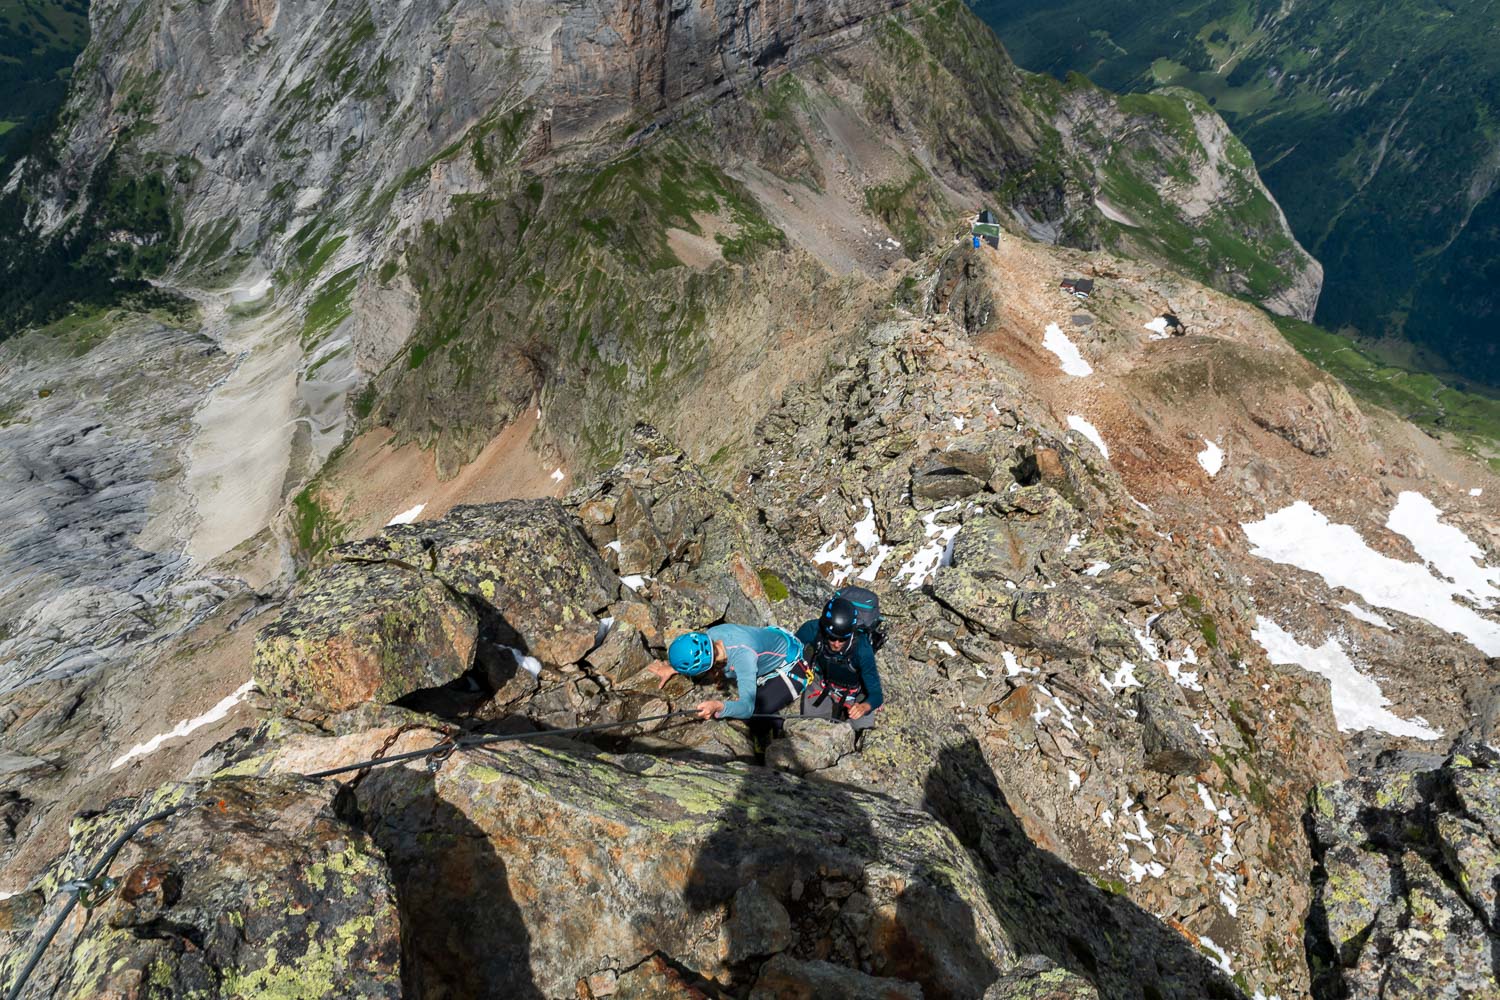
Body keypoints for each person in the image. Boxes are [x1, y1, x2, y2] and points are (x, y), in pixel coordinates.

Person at [646, 624, 808, 730]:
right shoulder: (712, 635)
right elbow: (698, 653)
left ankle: (776, 732)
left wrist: (719, 706)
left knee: (755, 715)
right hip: (773, 642)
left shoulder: (744, 658)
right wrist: (672, 667)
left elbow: (747, 708)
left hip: (792, 666)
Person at [796, 596, 884, 732]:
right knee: (811, 730)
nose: (836, 644)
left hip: (855, 694)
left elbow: (876, 695)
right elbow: (791, 648)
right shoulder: (813, 629)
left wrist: (864, 707)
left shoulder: (862, 649)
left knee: (863, 730)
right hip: (822, 683)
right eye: (832, 638)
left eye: (843, 639)